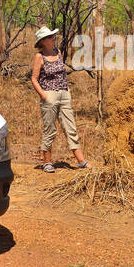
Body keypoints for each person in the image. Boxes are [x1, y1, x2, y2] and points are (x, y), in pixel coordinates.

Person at [31, 26, 89, 172]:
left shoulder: (59, 52)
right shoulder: (40, 57)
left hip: (64, 94)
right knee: (50, 129)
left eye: (53, 36)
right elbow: (34, 79)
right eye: (50, 37)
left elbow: (62, 74)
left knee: (71, 128)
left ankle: (81, 161)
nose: (53, 38)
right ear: (43, 41)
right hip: (49, 95)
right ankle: (47, 162)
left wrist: (67, 89)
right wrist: (44, 96)